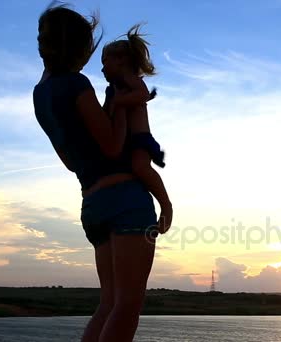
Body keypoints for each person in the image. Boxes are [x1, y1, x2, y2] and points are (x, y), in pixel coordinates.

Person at [32, 4, 170, 341]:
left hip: (92, 206)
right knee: (127, 306)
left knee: (108, 303)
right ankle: (168, 205)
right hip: (127, 202)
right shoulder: (77, 85)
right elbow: (111, 146)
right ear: (77, 47)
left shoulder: (40, 94)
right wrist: (120, 108)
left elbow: (70, 161)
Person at [100, 24, 172, 233]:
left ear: (121, 60)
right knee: (130, 169)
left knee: (141, 168)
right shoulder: (113, 88)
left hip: (139, 137)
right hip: (125, 140)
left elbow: (141, 95)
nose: (102, 68)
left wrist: (120, 102)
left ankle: (165, 204)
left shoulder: (128, 79)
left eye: (105, 62)